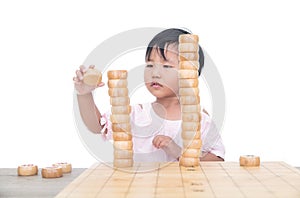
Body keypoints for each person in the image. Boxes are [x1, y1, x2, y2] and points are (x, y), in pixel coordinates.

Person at [73, 28, 225, 162]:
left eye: (166, 66)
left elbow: (217, 158)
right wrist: (84, 94)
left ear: (190, 74)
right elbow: (96, 126)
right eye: (150, 65)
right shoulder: (136, 114)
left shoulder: (200, 120)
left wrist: (180, 152)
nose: (155, 73)